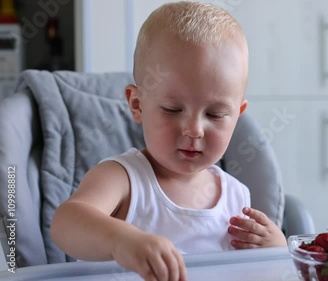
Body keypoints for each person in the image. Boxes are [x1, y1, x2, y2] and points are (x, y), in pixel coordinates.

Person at [50, 2, 287, 281]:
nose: (194, 129)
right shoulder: (123, 179)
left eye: (215, 114)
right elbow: (66, 223)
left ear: (237, 116)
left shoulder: (237, 197)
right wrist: (121, 241)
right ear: (137, 104)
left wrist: (275, 252)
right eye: (173, 110)